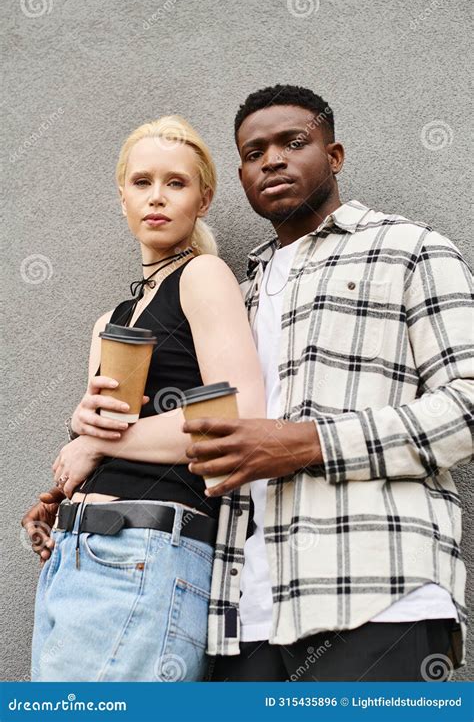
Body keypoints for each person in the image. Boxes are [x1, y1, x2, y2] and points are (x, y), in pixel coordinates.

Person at [181, 85, 473, 681]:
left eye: (294, 142)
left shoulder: (410, 250)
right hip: (241, 620)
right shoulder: (236, 300)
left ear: (334, 155)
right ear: (241, 174)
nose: (273, 160)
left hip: (381, 596)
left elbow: (467, 404)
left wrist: (308, 443)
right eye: (254, 152)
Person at [25, 115, 265, 682]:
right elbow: (109, 435)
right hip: (78, 554)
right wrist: (65, 484)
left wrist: (96, 443)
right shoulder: (112, 320)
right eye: (142, 182)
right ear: (122, 195)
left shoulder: (203, 275)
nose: (157, 197)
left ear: (204, 198)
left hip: (145, 551)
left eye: (176, 183)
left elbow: (237, 416)